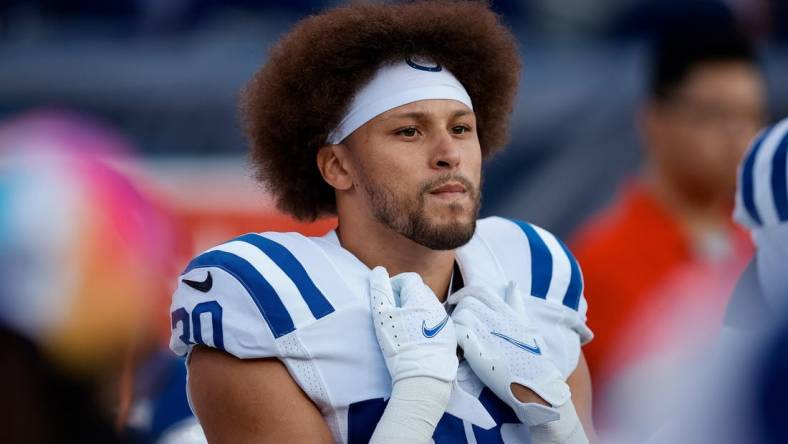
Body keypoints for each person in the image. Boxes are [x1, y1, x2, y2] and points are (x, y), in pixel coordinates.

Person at [169, 2, 595, 443]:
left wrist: (556, 419)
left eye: (462, 128)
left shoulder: (532, 271)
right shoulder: (266, 303)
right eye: (409, 131)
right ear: (337, 166)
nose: (448, 153)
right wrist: (415, 405)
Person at [570, 13, 766, 400]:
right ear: (654, 119)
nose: (738, 136)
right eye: (714, 114)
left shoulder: (766, 248)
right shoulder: (596, 265)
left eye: (751, 116)